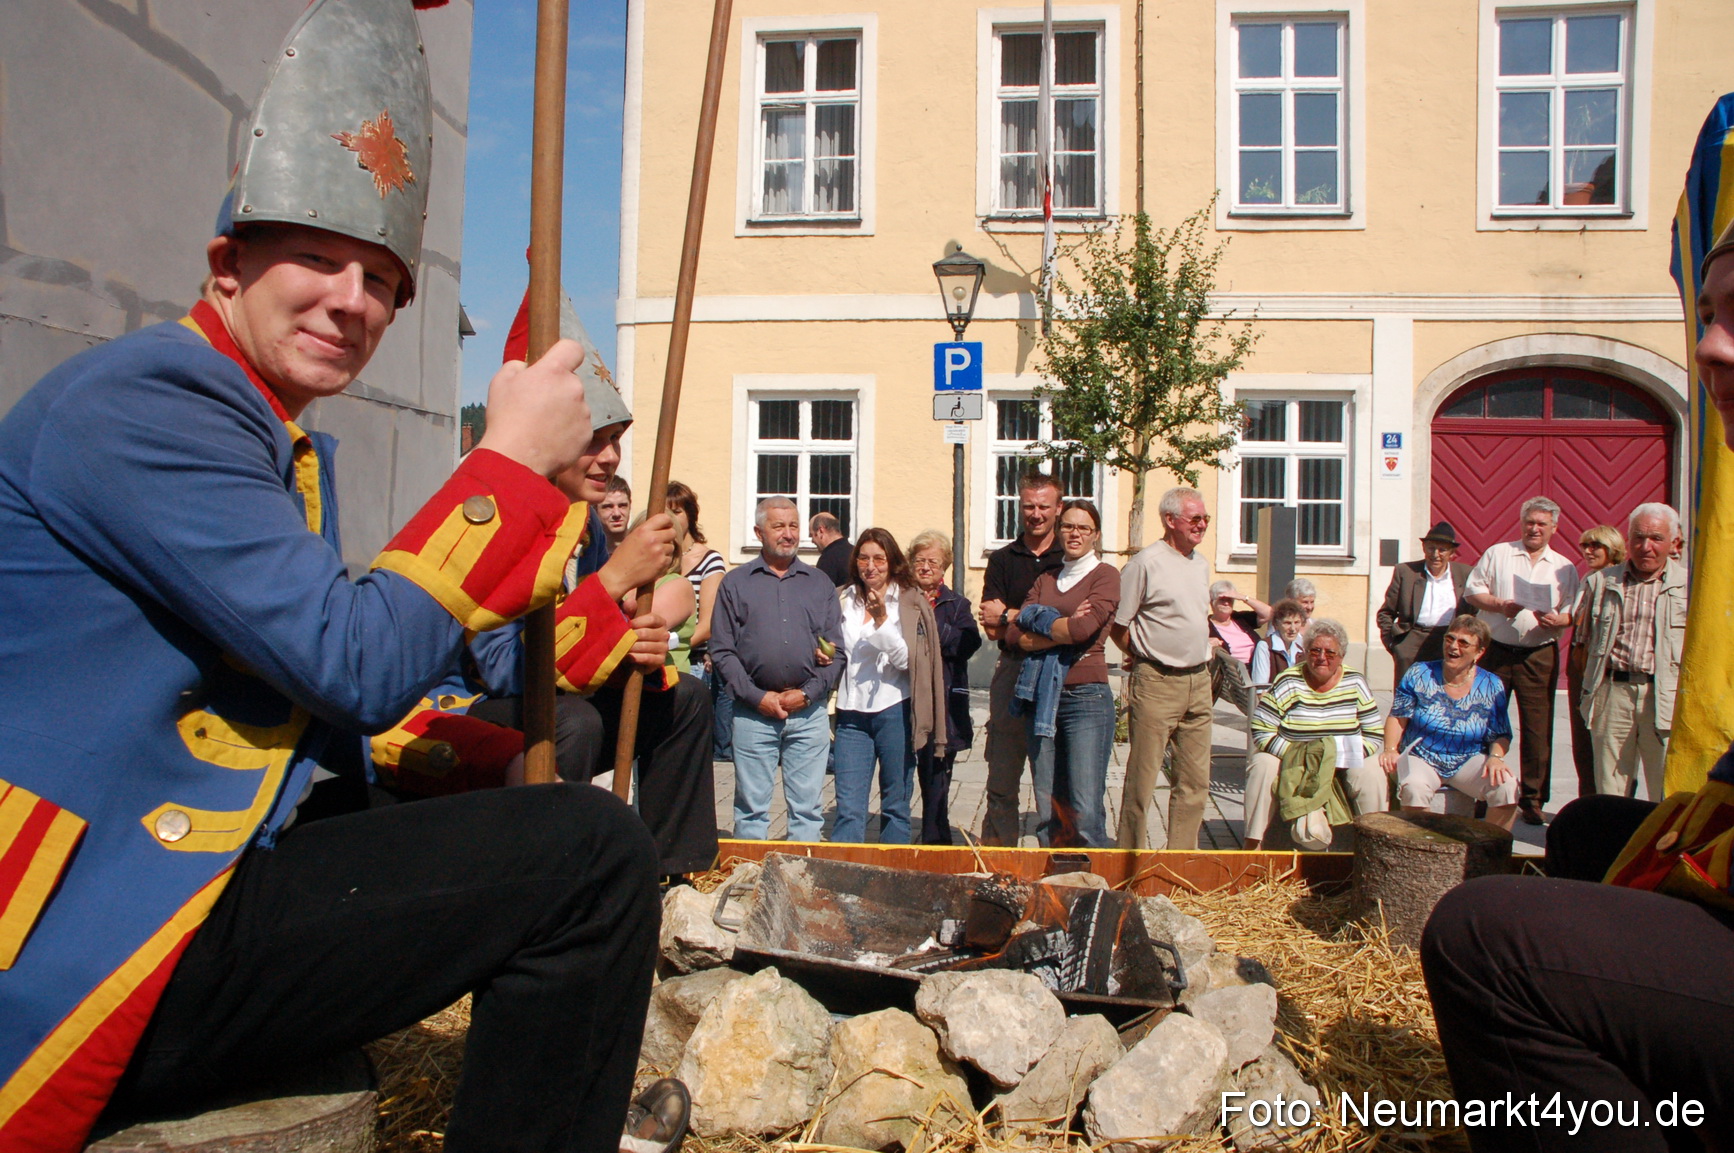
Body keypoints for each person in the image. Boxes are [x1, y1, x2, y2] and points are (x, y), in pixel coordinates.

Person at [0, 2, 672, 1146]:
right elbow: (351, 660)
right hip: (98, 923)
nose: (351, 299)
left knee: (553, 813)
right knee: (591, 863)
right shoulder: (153, 398)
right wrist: (506, 466)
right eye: (314, 255)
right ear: (229, 266)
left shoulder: (275, 434)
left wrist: (489, 761)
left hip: (199, 867)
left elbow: (307, 720)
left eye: (380, 277)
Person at [1418, 217, 1734, 1153]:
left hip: (1608, 679)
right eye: (1708, 311)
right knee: (1594, 823)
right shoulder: (1537, 567)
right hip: (1578, 671)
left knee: (1481, 935)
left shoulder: (1613, 573)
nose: (1710, 340)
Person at [710, 497, 844, 841]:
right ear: (758, 532)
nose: (788, 534)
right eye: (778, 526)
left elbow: (838, 652)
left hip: (808, 713)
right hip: (753, 713)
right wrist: (757, 697)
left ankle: (799, 885)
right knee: (751, 811)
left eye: (794, 526)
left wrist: (808, 693)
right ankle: (748, 882)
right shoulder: (735, 583)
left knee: (808, 812)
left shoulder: (820, 584)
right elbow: (722, 651)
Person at [1003, 500, 1121, 847]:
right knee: (1048, 805)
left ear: (1095, 534)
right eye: (1068, 526)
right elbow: (1012, 635)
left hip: (1086, 698)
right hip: (1042, 697)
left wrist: (1034, 620)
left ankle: (1094, 887)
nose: (1074, 533)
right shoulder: (1047, 577)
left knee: (1084, 808)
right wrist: (1062, 627)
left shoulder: (1106, 576)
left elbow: (1084, 630)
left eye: (1083, 528)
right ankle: (1054, 884)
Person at [1464, 495, 1580, 825]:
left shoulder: (1564, 567)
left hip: (1538, 653)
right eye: (1530, 522)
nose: (1535, 529)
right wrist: (1500, 605)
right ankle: (1478, 789)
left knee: (1537, 728)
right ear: (1521, 523)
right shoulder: (1498, 554)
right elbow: (1472, 591)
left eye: (1542, 524)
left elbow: (1573, 607)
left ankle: (1532, 798)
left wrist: (1563, 620)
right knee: (1483, 719)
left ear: (1554, 528)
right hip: (1497, 649)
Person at [1113, 486, 1214, 850]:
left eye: (1205, 518)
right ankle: (1130, 861)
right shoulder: (1144, 563)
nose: (1202, 525)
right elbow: (1119, 625)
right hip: (1157, 681)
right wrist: (1140, 656)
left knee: (1194, 783)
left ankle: (1181, 864)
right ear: (1169, 520)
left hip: (1199, 681)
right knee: (1143, 781)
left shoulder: (1200, 563)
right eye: (1195, 518)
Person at [830, 529, 946, 844]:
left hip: (895, 709)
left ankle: (892, 876)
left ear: (891, 561)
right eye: (864, 558)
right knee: (849, 807)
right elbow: (835, 647)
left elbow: (910, 663)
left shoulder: (908, 601)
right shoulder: (843, 598)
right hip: (851, 713)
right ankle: (845, 878)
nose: (871, 566)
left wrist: (882, 621)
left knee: (895, 804)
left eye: (878, 559)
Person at [1577, 503, 1688, 802]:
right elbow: (1583, 645)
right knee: (1610, 789)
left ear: (1673, 542)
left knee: (1665, 790)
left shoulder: (1688, 587)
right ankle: (1615, 848)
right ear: (1628, 540)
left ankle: (1656, 849)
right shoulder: (1600, 582)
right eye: (1638, 538)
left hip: (1664, 698)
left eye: (1655, 538)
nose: (1645, 547)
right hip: (1612, 693)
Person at [1242, 619, 1386, 850]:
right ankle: (1253, 844)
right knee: (1262, 764)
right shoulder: (1289, 680)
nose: (1321, 658)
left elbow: (1373, 733)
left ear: (1341, 656)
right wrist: (1296, 755)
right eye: (1315, 650)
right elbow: (1261, 727)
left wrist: (1345, 756)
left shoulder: (1355, 681)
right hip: (1293, 759)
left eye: (1330, 652)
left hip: (1342, 760)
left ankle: (1375, 844)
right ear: (1305, 652)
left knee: (1372, 772)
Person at [977, 472, 1066, 844]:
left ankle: (1056, 859)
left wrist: (1010, 614)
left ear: (1058, 508)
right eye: (1029, 505)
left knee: (1054, 777)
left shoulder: (1070, 558)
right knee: (1001, 775)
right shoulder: (1002, 559)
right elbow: (991, 627)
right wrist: (1046, 623)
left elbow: (1073, 625)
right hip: (1012, 672)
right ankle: (999, 858)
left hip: (1060, 673)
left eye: (1044, 506)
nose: (1036, 514)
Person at [1380, 615, 1519, 830]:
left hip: (1468, 757)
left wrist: (1496, 757)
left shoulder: (1492, 684)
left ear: (1479, 652)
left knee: (1507, 786)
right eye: (1450, 639)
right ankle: (1422, 848)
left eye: (1464, 643)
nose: (1453, 646)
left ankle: (1488, 851)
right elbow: (1398, 716)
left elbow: (1500, 732)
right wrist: (1390, 749)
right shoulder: (1420, 673)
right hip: (1422, 754)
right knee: (1414, 787)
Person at [907, 530, 981, 845]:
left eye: (932, 562)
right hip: (906, 700)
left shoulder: (957, 604)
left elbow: (967, 643)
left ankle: (936, 839)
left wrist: (929, 632)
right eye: (919, 561)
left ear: (944, 567)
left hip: (944, 704)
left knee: (938, 776)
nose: (925, 567)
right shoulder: (900, 601)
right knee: (905, 772)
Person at [1566, 523, 1626, 799]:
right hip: (1578, 659)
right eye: (1585, 546)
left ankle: (1601, 801)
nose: (1588, 551)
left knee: (1599, 739)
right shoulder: (1589, 578)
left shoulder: (1614, 580)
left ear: (1611, 549)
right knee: (1581, 740)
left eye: (1595, 546)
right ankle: (1586, 799)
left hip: (1597, 663)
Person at [1376, 521, 1472, 684]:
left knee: (1444, 694)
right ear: (1424, 548)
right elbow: (1385, 613)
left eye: (1442, 549)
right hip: (1412, 639)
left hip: (1448, 641)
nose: (1435, 554)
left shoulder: (1465, 573)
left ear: (1452, 552)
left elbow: (1473, 614)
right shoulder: (1406, 572)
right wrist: (1395, 645)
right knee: (1407, 695)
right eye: (1431, 548)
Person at [1207, 579, 1271, 711]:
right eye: (1222, 599)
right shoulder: (1206, 625)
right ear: (1212, 602)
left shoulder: (1239, 618)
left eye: (1230, 599)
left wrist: (1242, 597)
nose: (1226, 603)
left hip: (1261, 667)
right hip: (1237, 677)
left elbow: (1268, 613)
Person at [1248, 598, 1307, 689]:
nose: (1293, 628)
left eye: (1296, 622)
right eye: (1287, 623)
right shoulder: (1265, 646)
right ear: (1276, 624)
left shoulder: (1300, 649)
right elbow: (1260, 688)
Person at [811, 510, 853, 587]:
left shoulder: (828, 559)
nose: (812, 541)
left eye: (812, 535)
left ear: (821, 531)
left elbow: (821, 594)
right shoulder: (855, 552)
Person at [598, 474, 633, 551]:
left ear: (630, 505)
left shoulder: (642, 547)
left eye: (622, 505)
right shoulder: (586, 553)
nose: (617, 514)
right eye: (608, 506)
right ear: (595, 509)